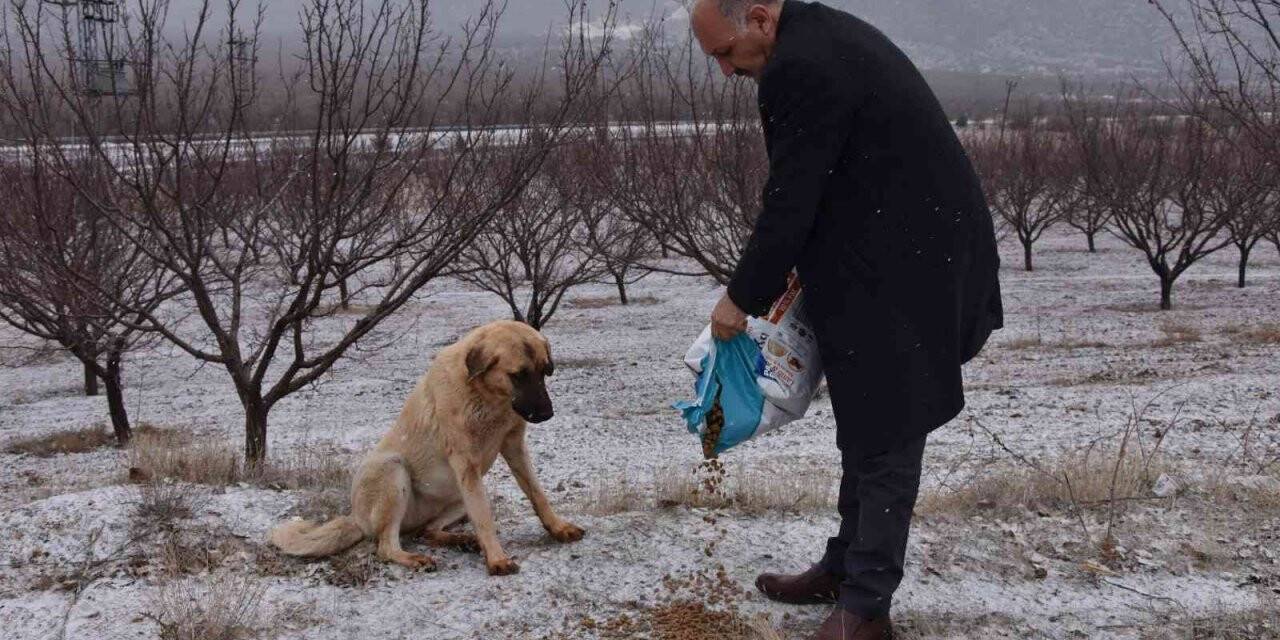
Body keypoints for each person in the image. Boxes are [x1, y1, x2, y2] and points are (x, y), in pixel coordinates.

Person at [689, 1, 1004, 638]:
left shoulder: (801, 65)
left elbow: (792, 198)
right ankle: (845, 568)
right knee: (865, 422)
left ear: (759, 17)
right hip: (888, 256)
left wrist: (740, 299)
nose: (724, 71)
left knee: (888, 431)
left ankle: (865, 609)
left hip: (912, 268)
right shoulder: (815, 40)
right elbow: (837, 179)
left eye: (725, 51)